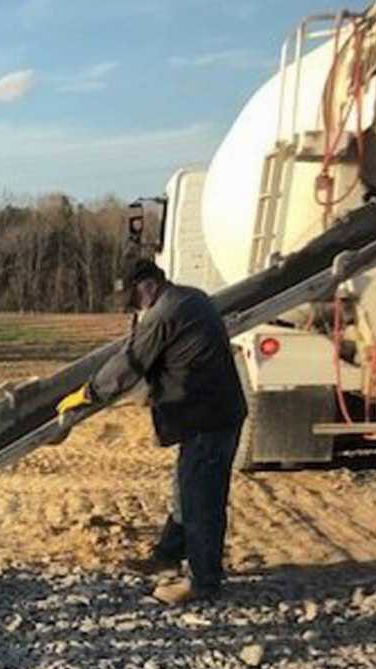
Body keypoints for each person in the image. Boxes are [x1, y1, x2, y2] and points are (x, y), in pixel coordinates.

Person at [56, 259, 247, 606]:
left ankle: (204, 581)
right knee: (185, 487)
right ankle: (167, 555)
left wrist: (89, 393)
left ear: (147, 285)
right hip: (212, 414)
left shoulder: (166, 312)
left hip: (209, 418)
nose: (133, 307)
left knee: (201, 499)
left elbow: (130, 364)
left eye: (132, 298)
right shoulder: (190, 298)